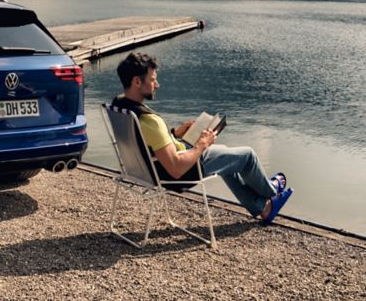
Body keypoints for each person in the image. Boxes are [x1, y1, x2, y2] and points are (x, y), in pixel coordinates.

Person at [110, 52, 293, 225]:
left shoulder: (120, 106)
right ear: (136, 81)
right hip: (183, 172)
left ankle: (263, 208)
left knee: (227, 159)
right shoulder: (151, 121)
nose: (157, 84)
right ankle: (271, 190)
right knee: (248, 156)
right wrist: (201, 145)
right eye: (152, 79)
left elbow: (147, 144)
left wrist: (175, 133)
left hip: (146, 171)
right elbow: (176, 169)